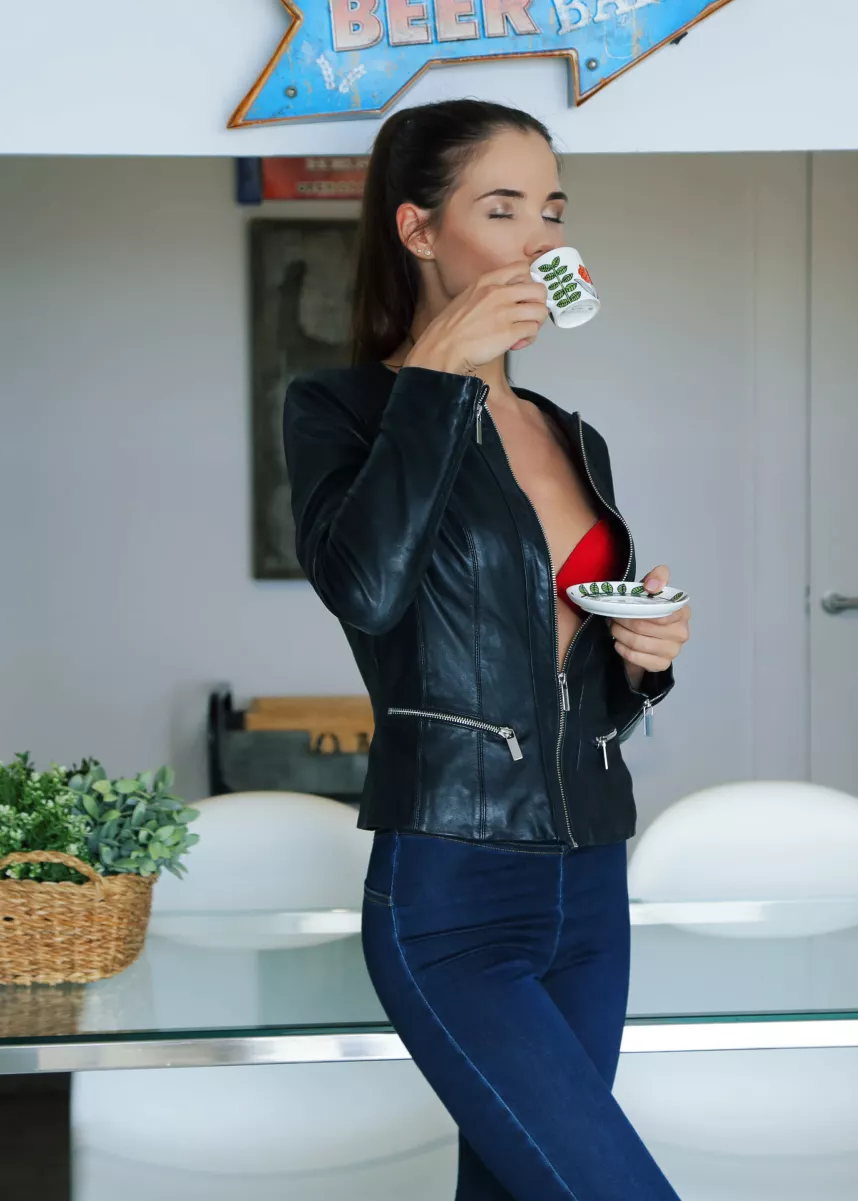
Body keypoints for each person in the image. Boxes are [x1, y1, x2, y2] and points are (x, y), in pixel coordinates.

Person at [281, 98, 692, 1200]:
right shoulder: (339, 409)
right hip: (452, 886)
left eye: (551, 211)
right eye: (501, 209)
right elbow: (365, 591)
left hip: (591, 877)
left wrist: (645, 657)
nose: (538, 239)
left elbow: (575, 675)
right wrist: (436, 377)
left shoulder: (570, 433)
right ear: (419, 230)